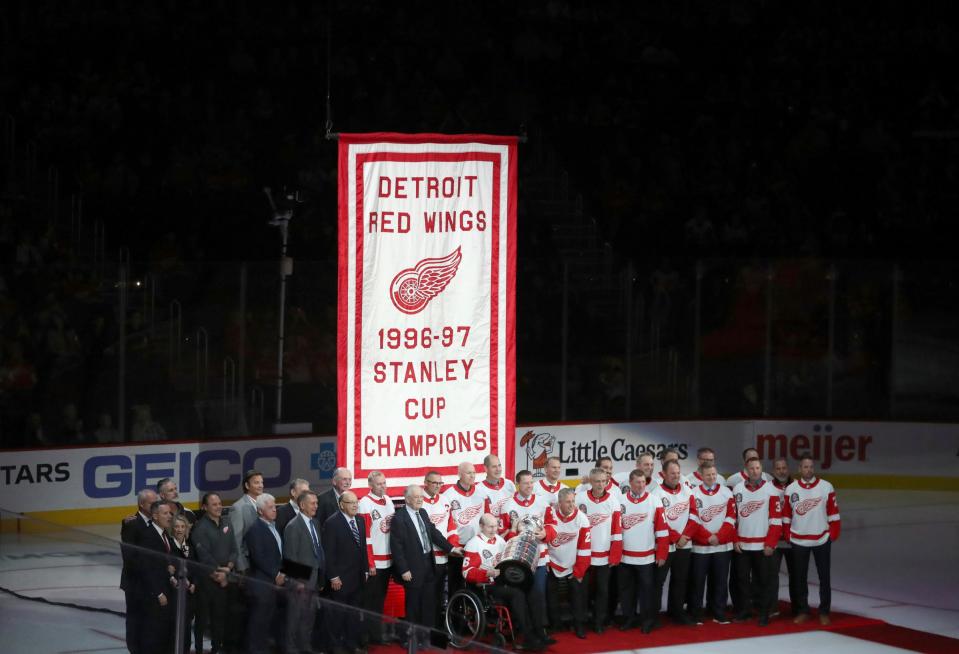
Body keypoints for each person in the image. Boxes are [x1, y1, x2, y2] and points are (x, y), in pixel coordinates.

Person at [462, 514, 546, 652]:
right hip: (486, 585)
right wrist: (486, 573)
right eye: (490, 526)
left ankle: (539, 632)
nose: (494, 529)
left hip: (503, 581)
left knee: (533, 590)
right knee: (517, 594)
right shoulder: (474, 544)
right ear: (481, 526)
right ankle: (528, 636)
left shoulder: (500, 541)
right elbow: (466, 572)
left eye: (496, 526)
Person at [390, 483, 460, 644]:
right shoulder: (399, 519)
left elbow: (434, 533)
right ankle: (410, 638)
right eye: (416, 497)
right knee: (413, 605)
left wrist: (451, 548)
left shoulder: (422, 512)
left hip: (429, 565)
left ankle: (426, 637)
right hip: (411, 569)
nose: (420, 500)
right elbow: (397, 547)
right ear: (407, 499)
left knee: (428, 604)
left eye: (421, 497)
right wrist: (404, 569)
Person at [498, 470, 556, 645]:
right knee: (521, 598)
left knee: (537, 595)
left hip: (539, 558)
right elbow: (502, 535)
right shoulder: (507, 506)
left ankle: (541, 632)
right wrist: (514, 532)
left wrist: (546, 533)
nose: (530, 486)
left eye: (531, 482)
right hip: (517, 559)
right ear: (517, 484)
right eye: (526, 483)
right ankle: (526, 636)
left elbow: (553, 527)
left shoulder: (542, 502)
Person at [783, 455, 841, 626]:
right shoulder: (791, 489)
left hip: (822, 539)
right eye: (805, 467)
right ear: (799, 469)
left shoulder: (826, 487)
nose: (808, 469)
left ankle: (824, 612)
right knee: (799, 578)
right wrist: (788, 535)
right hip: (798, 541)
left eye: (811, 466)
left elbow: (834, 513)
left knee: (825, 578)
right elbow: (786, 516)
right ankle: (803, 611)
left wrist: (833, 534)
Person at [732, 457, 782, 626]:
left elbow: (776, 521)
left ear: (761, 469)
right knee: (742, 581)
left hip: (763, 546)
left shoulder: (771, 490)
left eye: (757, 468)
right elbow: (732, 518)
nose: (754, 471)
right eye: (751, 468)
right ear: (746, 469)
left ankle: (763, 613)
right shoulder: (737, 489)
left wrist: (771, 543)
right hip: (743, 546)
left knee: (764, 581)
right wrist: (735, 539)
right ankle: (744, 611)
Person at [618, 470, 669, 633]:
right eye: (637, 482)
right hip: (625, 557)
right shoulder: (619, 501)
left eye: (643, 482)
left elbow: (662, 531)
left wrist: (661, 554)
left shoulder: (655, 501)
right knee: (627, 591)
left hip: (646, 558)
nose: (641, 485)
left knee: (647, 592)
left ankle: (647, 621)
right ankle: (629, 619)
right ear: (630, 483)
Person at [574, 467, 623, 633]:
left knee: (603, 591)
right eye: (597, 481)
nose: (601, 484)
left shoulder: (614, 500)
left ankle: (598, 622)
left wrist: (615, 554)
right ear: (591, 482)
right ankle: (580, 622)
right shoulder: (579, 498)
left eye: (604, 481)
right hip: (583, 554)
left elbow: (617, 529)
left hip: (604, 555)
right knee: (582, 591)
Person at [688, 462, 736, 625]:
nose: (711, 477)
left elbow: (731, 517)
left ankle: (718, 612)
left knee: (720, 581)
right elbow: (693, 519)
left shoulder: (726, 493)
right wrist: (708, 537)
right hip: (700, 548)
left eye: (714, 474)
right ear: (701, 475)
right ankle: (696, 613)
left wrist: (719, 536)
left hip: (722, 547)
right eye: (708, 474)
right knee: (697, 582)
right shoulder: (693, 493)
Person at [322, 491, 369, 653]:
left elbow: (362, 549)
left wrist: (366, 570)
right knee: (338, 615)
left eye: (356, 502)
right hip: (340, 579)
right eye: (351, 503)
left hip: (357, 577)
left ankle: (352, 644)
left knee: (354, 614)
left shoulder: (360, 521)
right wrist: (333, 576)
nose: (355, 505)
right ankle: (335, 646)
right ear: (342, 505)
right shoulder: (332, 523)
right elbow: (328, 553)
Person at [191, 492, 237, 654]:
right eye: (214, 504)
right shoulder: (200, 528)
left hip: (224, 580)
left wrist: (228, 569)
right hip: (207, 582)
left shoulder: (227, 522)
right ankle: (198, 649)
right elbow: (204, 556)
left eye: (219, 503)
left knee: (220, 618)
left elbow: (234, 550)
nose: (219, 507)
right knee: (202, 619)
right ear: (205, 507)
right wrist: (219, 574)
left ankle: (217, 648)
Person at [282, 490, 326, 654]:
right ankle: (292, 649)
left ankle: (305, 648)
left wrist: (320, 577)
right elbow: (290, 556)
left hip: (314, 580)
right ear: (302, 505)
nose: (316, 506)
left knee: (309, 618)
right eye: (313, 503)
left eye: (317, 503)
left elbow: (318, 551)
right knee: (294, 618)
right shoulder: (293, 526)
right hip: (300, 582)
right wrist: (297, 581)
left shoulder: (315, 523)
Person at [655, 459, 698, 625]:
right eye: (672, 473)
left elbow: (694, 515)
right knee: (659, 581)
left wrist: (685, 536)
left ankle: (677, 612)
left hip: (684, 544)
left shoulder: (688, 491)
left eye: (678, 473)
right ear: (664, 474)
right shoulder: (657, 493)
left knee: (680, 580)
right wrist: (675, 538)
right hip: (666, 545)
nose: (675, 476)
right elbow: (660, 521)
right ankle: (654, 615)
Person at [543, 488, 591, 638]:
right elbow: (543, 539)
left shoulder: (582, 519)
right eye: (568, 502)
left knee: (578, 596)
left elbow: (585, 547)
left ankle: (579, 625)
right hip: (552, 562)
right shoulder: (549, 515)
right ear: (559, 503)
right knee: (551, 596)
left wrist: (580, 570)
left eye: (573, 501)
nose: (572, 505)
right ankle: (555, 625)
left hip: (573, 564)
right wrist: (545, 560)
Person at [134, 500, 177, 654]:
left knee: (164, 633)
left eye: (170, 513)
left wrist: (170, 574)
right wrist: (158, 592)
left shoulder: (165, 535)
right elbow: (145, 568)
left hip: (166, 590)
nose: (170, 516)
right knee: (153, 634)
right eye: (165, 513)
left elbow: (163, 562)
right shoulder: (148, 536)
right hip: (154, 595)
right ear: (155, 516)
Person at [244, 493, 285, 654]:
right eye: (270, 507)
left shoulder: (275, 526)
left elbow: (280, 554)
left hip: (276, 584)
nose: (275, 510)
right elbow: (259, 557)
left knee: (269, 621)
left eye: (275, 507)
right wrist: (276, 574)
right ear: (260, 511)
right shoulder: (255, 529)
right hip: (261, 584)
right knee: (258, 622)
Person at [357, 470, 395, 645]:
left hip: (387, 561)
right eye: (379, 484)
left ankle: (376, 635)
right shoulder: (364, 503)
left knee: (380, 601)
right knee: (369, 602)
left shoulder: (388, 501)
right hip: (375, 562)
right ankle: (365, 637)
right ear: (370, 485)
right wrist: (370, 563)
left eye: (384, 483)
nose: (383, 486)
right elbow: (366, 537)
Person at [441, 461, 489, 596]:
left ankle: (476, 614)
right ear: (459, 474)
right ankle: (454, 615)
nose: (472, 476)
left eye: (474, 473)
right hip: (458, 547)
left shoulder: (481, 493)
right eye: (469, 473)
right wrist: (453, 546)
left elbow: (487, 516)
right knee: (456, 584)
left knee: (476, 583)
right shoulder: (448, 495)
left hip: (477, 546)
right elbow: (447, 524)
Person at [121, 488, 157, 654]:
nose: (156, 506)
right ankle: (134, 649)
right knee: (135, 618)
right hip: (135, 582)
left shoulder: (156, 522)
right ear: (142, 505)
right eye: (152, 503)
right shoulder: (132, 524)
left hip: (150, 581)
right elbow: (130, 557)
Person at [421, 470, 455, 625]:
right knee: (427, 595)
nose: (437, 486)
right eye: (434, 483)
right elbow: (429, 531)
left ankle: (439, 627)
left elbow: (451, 526)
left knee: (440, 594)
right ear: (426, 483)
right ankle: (427, 628)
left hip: (444, 556)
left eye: (440, 483)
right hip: (427, 557)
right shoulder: (419, 500)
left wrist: (453, 545)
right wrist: (450, 548)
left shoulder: (445, 499)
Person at [769, 457, 800, 616]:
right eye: (778, 468)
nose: (781, 471)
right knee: (771, 577)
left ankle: (798, 608)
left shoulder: (797, 487)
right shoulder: (768, 488)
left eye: (784, 468)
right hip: (775, 541)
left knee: (796, 575)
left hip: (794, 540)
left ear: (788, 469)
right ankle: (772, 607)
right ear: (773, 471)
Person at [169, 514, 198, 654]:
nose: (179, 530)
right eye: (176, 526)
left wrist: (194, 584)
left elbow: (197, 568)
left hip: (189, 595)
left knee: (186, 628)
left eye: (182, 526)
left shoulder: (190, 547)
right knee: (174, 628)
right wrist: (175, 578)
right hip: (175, 595)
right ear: (172, 528)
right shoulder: (168, 546)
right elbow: (168, 568)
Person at [230, 470, 264, 574]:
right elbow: (236, 540)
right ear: (247, 485)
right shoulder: (238, 507)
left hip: (263, 564)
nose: (261, 485)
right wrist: (242, 567)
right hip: (249, 565)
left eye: (262, 482)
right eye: (256, 482)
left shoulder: (264, 504)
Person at [476, 453, 516, 520]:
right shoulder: (478, 489)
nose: (498, 469)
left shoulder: (509, 484)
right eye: (494, 467)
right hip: (491, 529)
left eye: (499, 465)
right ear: (486, 468)